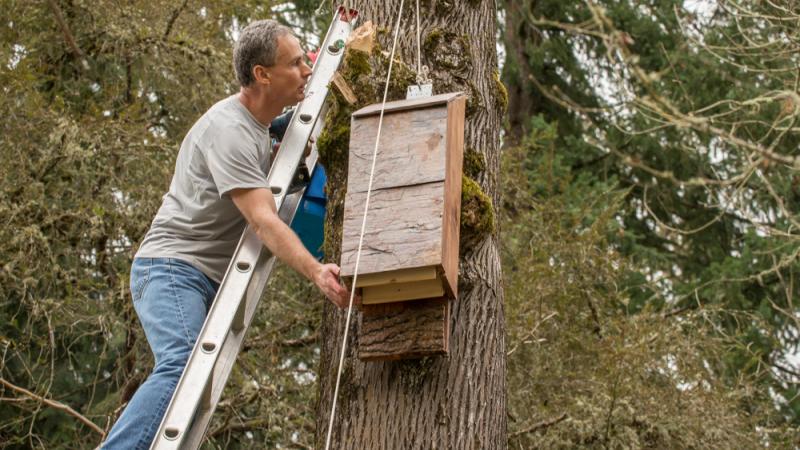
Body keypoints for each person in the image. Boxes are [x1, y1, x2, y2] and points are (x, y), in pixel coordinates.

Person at [101, 19, 349, 449]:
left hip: (199, 276)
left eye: (309, 61)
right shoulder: (229, 130)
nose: (308, 71)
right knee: (183, 366)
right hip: (171, 269)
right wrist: (315, 272)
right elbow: (263, 220)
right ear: (262, 74)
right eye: (295, 64)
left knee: (189, 372)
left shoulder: (262, 126)